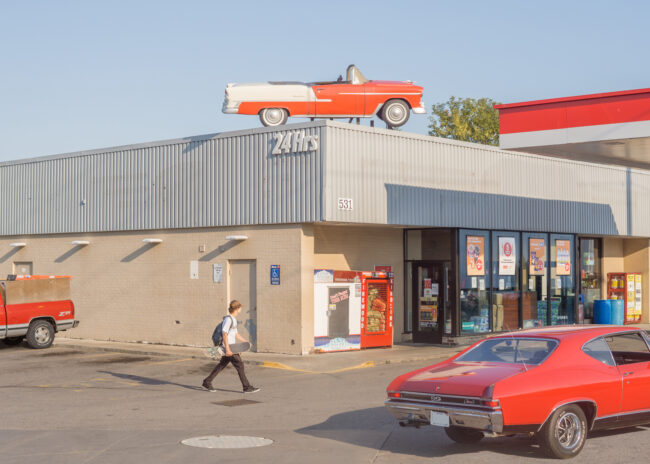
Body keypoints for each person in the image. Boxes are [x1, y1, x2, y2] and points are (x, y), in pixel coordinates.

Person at [202, 300, 260, 393]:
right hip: (228, 347)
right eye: (240, 307)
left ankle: (207, 382)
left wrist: (245, 342)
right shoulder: (228, 319)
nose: (241, 309)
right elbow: (224, 334)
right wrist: (228, 349)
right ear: (237, 308)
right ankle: (246, 387)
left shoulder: (233, 319)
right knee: (240, 365)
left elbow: (236, 334)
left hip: (232, 347)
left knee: (222, 364)